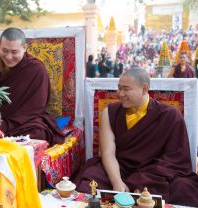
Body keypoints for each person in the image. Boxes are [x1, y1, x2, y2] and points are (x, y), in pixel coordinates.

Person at [74, 68, 198, 206]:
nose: (120, 94)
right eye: (119, 88)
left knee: (184, 188)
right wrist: (117, 183)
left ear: (144, 89)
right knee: (90, 181)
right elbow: (108, 153)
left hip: (154, 172)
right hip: (119, 168)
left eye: (126, 89)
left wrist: (144, 181)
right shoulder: (109, 113)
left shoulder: (170, 115)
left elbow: (174, 160)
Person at [0, 27, 64, 145]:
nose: (9, 56)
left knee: (37, 133)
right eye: (4, 51)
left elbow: (36, 107)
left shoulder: (36, 69)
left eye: (14, 52)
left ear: (24, 48)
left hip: (23, 121)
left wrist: (5, 124)